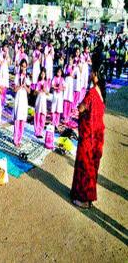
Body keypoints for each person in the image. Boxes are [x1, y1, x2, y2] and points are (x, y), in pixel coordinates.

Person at [70, 59, 106, 208]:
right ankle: (88, 197)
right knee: (92, 166)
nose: (91, 73)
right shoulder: (101, 92)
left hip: (89, 135)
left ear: (96, 74)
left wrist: (78, 108)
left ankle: (83, 199)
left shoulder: (91, 93)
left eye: (92, 71)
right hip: (97, 135)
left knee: (85, 165)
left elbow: (81, 108)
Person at [13, 59, 30, 147]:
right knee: (17, 119)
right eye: (22, 66)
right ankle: (15, 139)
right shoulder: (17, 76)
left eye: (25, 66)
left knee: (22, 119)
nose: (23, 68)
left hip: (24, 99)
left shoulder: (27, 77)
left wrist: (25, 86)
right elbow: (14, 89)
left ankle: (19, 139)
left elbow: (29, 91)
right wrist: (20, 85)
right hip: (18, 98)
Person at [34, 67, 48, 137]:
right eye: (41, 74)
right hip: (39, 99)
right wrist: (39, 90)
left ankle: (41, 130)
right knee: (37, 115)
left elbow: (48, 93)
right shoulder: (38, 82)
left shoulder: (46, 83)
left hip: (44, 101)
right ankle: (36, 130)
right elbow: (35, 92)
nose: (43, 75)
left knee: (43, 116)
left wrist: (45, 90)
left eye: (44, 74)